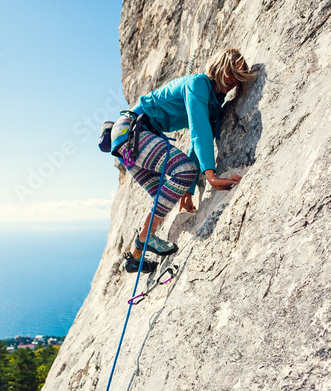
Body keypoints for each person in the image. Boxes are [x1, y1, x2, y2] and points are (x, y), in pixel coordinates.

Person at [109, 48, 256, 273]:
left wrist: (186, 191)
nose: (233, 80)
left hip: (129, 141)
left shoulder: (213, 102)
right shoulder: (198, 84)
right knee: (183, 171)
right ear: (219, 66)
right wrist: (211, 176)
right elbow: (199, 131)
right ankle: (145, 237)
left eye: (238, 77)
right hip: (133, 132)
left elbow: (198, 141)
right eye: (230, 72)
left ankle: (135, 256)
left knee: (165, 194)